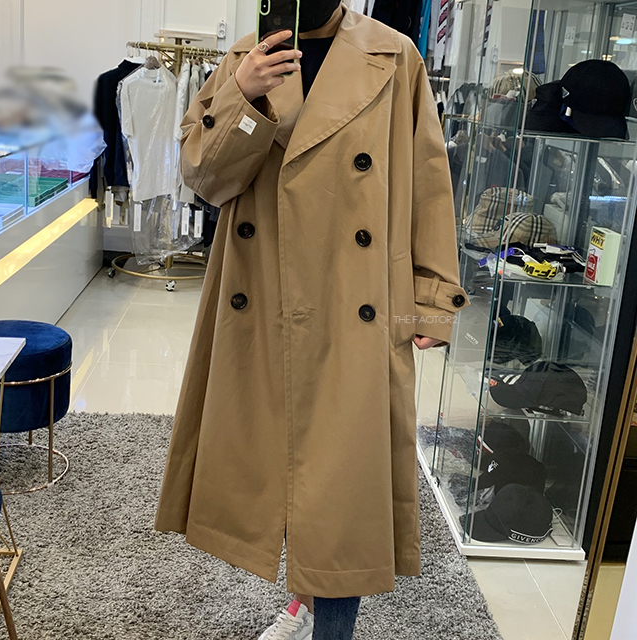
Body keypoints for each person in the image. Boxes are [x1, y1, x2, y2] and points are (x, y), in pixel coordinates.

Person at [155, 1, 468, 639]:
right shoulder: (245, 57)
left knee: (342, 490)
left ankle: (328, 627)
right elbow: (205, 180)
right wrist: (243, 97)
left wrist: (433, 295)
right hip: (262, 293)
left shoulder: (393, 55)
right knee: (280, 468)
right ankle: (303, 598)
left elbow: (429, 181)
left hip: (356, 295)